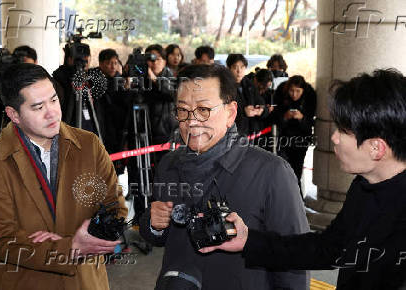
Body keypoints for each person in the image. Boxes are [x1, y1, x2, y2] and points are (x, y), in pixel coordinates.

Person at [199, 69, 406, 290]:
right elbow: (328, 248)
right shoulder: (365, 185)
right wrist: (248, 240)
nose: (334, 137)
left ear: (377, 148)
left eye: (344, 131)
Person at [139, 64, 309, 290]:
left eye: (203, 110)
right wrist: (153, 224)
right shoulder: (169, 165)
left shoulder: (271, 172)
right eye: (182, 110)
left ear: (230, 113)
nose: (191, 121)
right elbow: (160, 236)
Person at [0, 63, 127, 290]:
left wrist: (92, 234)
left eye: (54, 100)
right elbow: (0, 239)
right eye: (38, 107)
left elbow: (116, 209)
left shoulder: (88, 145)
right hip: (26, 283)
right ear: (13, 114)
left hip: (84, 281)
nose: (52, 112)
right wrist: (70, 247)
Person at [274, 75, 316, 195]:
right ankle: (285, 196)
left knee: (297, 168)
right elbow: (275, 116)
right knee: (284, 168)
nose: (294, 94)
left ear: (303, 90)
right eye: (291, 90)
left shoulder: (310, 94)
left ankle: (296, 197)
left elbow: (311, 121)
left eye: (298, 91)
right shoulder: (282, 91)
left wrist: (302, 118)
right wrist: (285, 117)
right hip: (284, 137)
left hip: (302, 138)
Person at [226, 54, 268, 139]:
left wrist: (261, 110)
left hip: (252, 134)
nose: (239, 71)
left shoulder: (249, 84)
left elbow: (261, 103)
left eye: (242, 67)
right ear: (229, 68)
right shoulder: (225, 86)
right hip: (233, 134)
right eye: (235, 67)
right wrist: (243, 113)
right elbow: (224, 111)